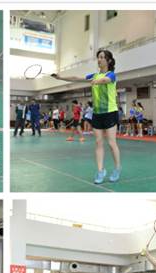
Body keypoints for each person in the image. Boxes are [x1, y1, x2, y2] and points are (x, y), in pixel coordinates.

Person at [52, 49, 121, 183]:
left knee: (112, 143)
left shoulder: (111, 75)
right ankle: (100, 171)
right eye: (98, 57)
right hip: (97, 113)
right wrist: (60, 77)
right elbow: (77, 78)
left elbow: (106, 80)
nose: (99, 60)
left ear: (108, 60)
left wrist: (97, 81)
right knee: (98, 142)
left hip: (110, 112)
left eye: (102, 57)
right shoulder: (94, 75)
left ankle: (117, 168)